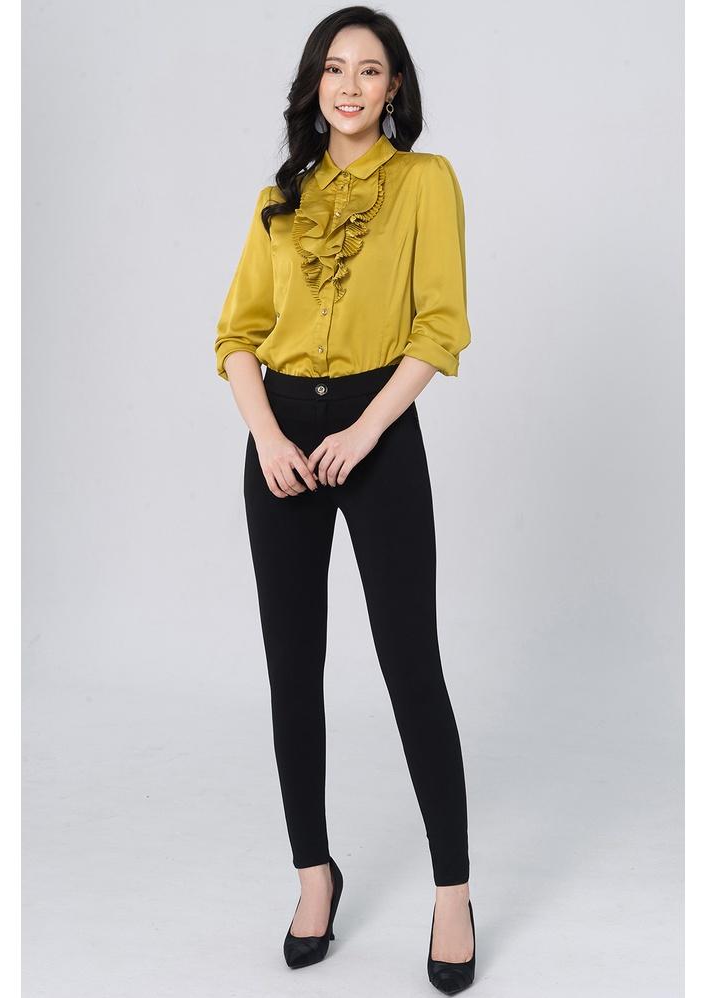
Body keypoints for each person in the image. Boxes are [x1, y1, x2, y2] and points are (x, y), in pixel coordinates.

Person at [213, 8, 477, 992]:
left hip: (377, 428)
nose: (351, 86)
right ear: (314, 85)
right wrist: (268, 438)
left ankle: (451, 890)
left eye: (370, 70)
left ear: (394, 86)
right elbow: (237, 333)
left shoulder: (424, 181)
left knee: (411, 665)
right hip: (278, 438)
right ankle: (312, 873)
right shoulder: (277, 198)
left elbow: (439, 324)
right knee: (292, 669)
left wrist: (363, 433)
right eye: (334, 68)